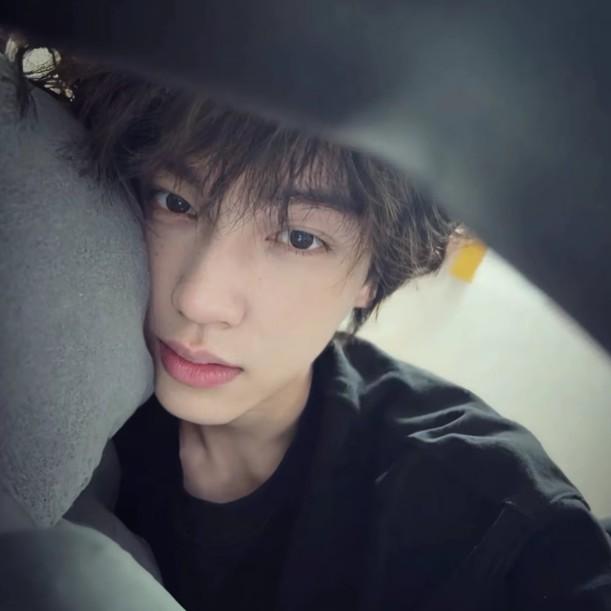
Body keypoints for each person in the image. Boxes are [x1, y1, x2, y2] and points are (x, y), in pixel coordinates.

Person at [19, 47, 611, 611]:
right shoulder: (45, 384)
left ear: (373, 274)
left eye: (300, 238)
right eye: (176, 202)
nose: (199, 299)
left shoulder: (488, 516)